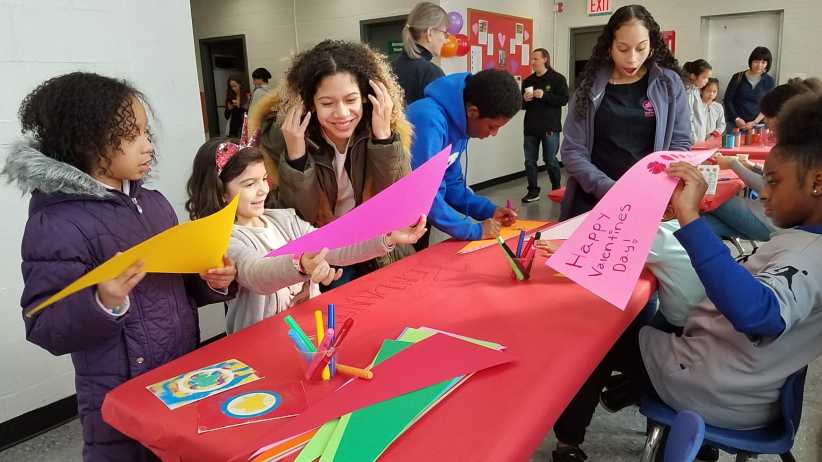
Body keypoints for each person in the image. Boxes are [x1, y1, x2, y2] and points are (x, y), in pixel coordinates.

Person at [550, 90, 822, 462]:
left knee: (600, 337)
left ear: (817, 183)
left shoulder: (809, 255)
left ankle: (569, 441)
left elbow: (759, 315)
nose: (763, 195)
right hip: (741, 379)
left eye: (773, 182)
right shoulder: (805, 239)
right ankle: (635, 396)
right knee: (650, 320)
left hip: (717, 388)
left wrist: (690, 218)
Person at [1, 72, 237, 461]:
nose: (148, 147)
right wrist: (104, 301)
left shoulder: (155, 203)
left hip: (180, 376)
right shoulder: (57, 222)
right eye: (133, 136)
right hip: (120, 392)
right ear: (87, 142)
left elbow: (180, 286)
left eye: (148, 134)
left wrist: (211, 280)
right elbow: (43, 324)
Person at [185, 137, 426, 333]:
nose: (262, 190)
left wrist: (387, 236)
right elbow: (256, 274)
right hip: (258, 344)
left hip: (307, 331)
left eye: (264, 180)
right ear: (221, 193)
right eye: (249, 184)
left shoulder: (285, 219)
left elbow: (335, 245)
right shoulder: (227, 239)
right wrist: (301, 264)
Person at [249, 40, 412, 285]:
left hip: (379, 248)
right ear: (309, 103)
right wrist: (297, 158)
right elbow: (299, 218)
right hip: (323, 257)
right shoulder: (281, 136)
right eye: (327, 103)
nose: (342, 114)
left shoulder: (383, 124)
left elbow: (398, 202)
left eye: (351, 100)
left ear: (367, 97)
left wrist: (383, 139)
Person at [560, 4, 691, 220]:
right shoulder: (589, 86)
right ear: (609, 47)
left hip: (647, 199)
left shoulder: (667, 83)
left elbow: (680, 143)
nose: (632, 59)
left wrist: (656, 187)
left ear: (652, 46)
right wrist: (609, 188)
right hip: (593, 199)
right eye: (622, 48)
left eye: (640, 48)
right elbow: (573, 150)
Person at [405, 69, 521, 248]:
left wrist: (488, 210)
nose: (494, 134)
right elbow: (423, 194)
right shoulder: (428, 120)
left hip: (417, 219)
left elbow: (452, 184)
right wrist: (474, 230)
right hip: (389, 226)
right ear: (473, 112)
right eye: (492, 126)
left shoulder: (460, 125)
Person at [521, 48, 569, 202]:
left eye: (535, 59)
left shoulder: (557, 79)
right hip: (530, 127)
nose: (532, 62)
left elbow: (563, 100)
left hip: (550, 127)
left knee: (550, 160)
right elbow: (523, 106)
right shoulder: (528, 81)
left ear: (545, 59)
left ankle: (557, 188)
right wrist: (524, 101)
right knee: (530, 161)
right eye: (532, 59)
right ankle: (533, 191)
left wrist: (544, 95)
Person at [391, 1, 448, 106]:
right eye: (444, 33)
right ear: (429, 32)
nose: (446, 40)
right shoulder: (431, 72)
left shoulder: (390, 67)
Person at [724, 46, 775, 131]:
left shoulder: (769, 81)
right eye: (756, 61)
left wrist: (755, 122)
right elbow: (728, 100)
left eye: (763, 62)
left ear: (767, 64)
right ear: (751, 61)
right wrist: (736, 119)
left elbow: (769, 105)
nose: (759, 65)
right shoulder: (738, 77)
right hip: (735, 124)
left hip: (758, 126)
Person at [682, 59, 712, 143]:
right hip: (692, 141)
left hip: (699, 139)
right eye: (704, 77)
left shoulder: (696, 89)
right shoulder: (688, 92)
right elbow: (688, 118)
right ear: (693, 76)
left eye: (708, 78)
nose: (707, 81)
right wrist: (694, 140)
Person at [692, 77, 725, 142]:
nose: (711, 94)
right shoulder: (696, 105)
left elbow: (722, 124)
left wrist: (713, 135)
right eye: (708, 91)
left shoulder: (718, 107)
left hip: (712, 140)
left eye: (714, 92)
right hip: (696, 140)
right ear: (701, 91)